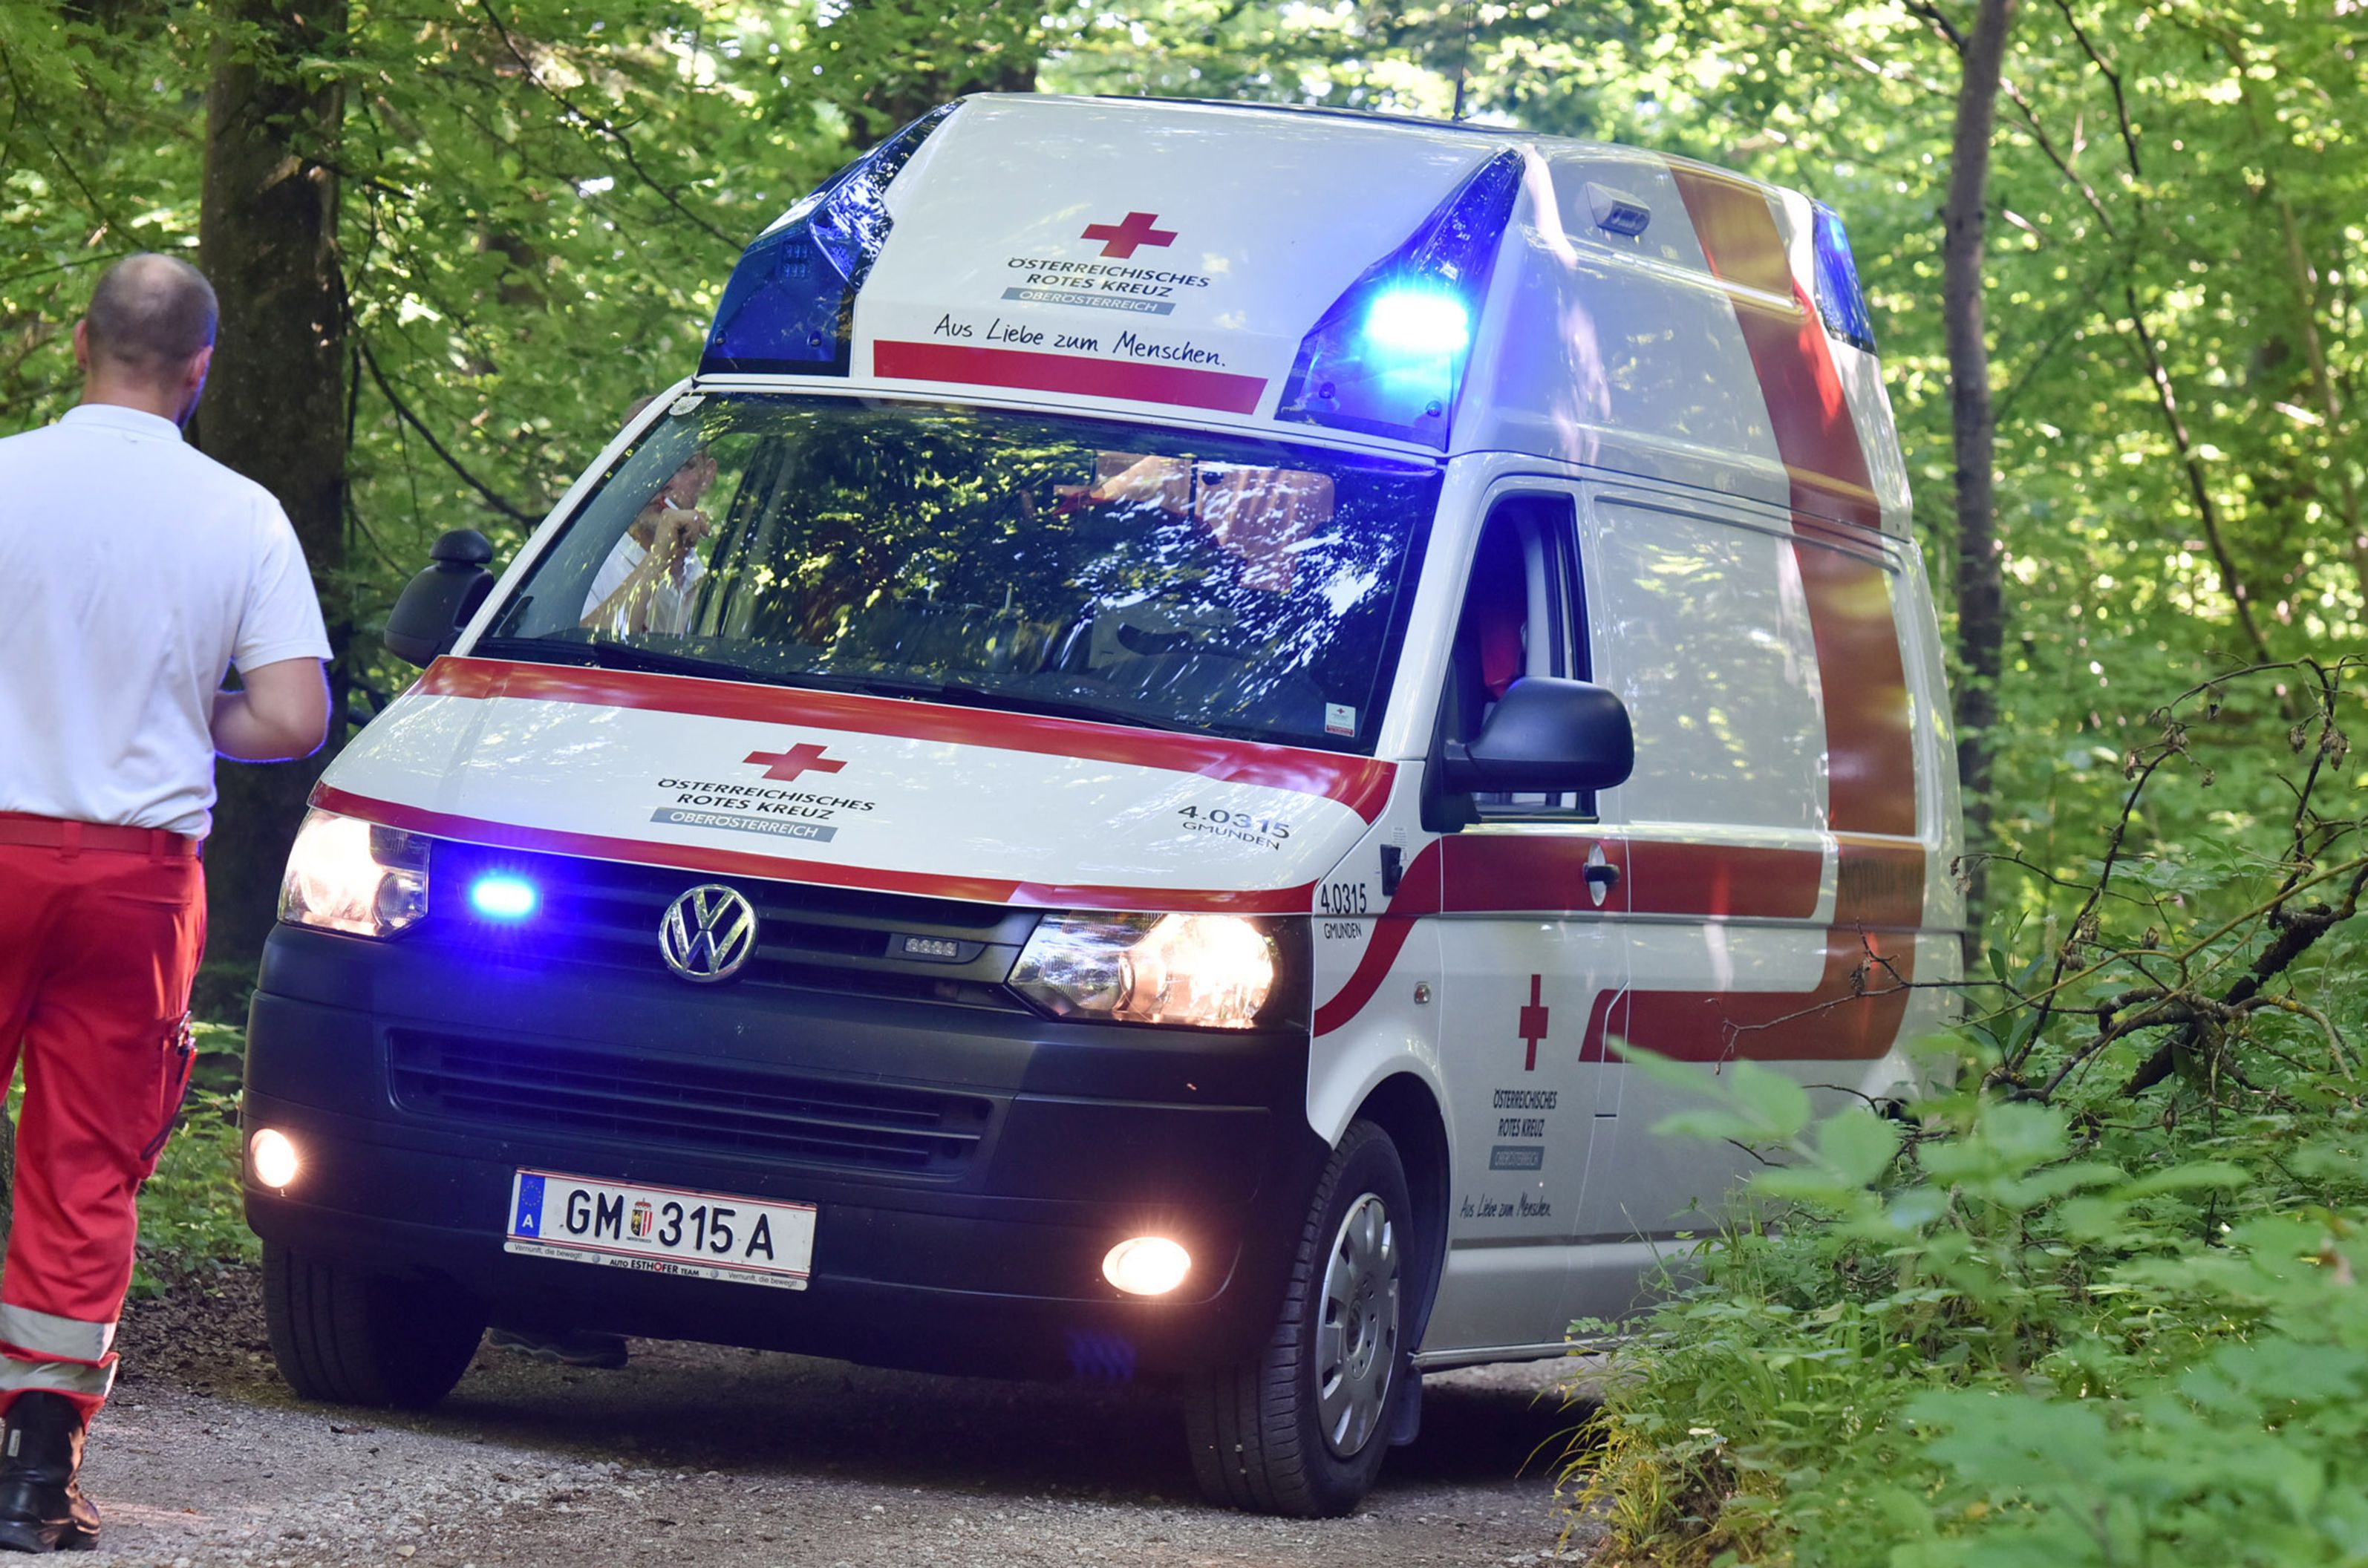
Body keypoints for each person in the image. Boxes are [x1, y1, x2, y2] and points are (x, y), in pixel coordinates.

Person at [0, 253, 332, 1553]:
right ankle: (34, 1472)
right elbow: (294, 716)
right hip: (135, 882)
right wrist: (174, 707)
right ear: (201, 370)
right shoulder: (239, 514)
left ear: (81, 343)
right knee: (88, 1162)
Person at [579, 406, 717, 636]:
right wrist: (658, 558)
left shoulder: (708, 582)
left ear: (707, 475)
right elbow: (581, 655)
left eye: (682, 464)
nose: (662, 481)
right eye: (646, 464)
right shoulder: (589, 567)